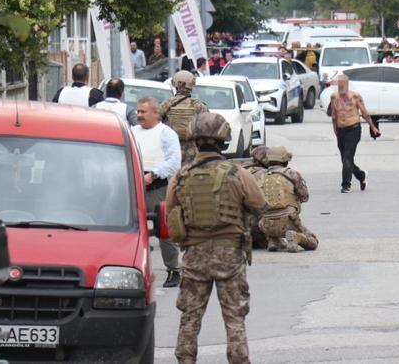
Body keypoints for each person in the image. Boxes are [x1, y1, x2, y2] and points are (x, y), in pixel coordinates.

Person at [165, 112, 266, 364]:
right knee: (234, 317)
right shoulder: (237, 173)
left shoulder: (181, 176)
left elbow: (171, 213)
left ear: (194, 140)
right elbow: (260, 204)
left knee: (190, 316)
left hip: (194, 254)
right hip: (229, 254)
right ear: (223, 139)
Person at [131, 96, 182, 287]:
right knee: (132, 229)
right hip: (134, 186)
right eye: (138, 111)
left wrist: (153, 174)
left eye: (143, 112)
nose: (139, 115)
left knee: (164, 230)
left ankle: (173, 270)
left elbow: (174, 162)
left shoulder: (166, 133)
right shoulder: (132, 132)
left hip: (156, 186)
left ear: (155, 113)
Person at [256, 146, 319, 252]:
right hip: (288, 221)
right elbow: (304, 196)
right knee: (313, 242)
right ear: (285, 161)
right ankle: (297, 237)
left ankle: (273, 240)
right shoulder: (291, 174)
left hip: (265, 224)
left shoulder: (260, 176)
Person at [330, 74, 380, 193]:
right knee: (345, 159)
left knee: (347, 157)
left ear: (347, 84)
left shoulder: (355, 96)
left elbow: (364, 113)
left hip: (353, 129)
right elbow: (333, 116)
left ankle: (346, 185)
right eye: (339, 84)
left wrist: (373, 127)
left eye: (343, 84)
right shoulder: (334, 96)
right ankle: (361, 175)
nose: (341, 86)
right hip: (341, 130)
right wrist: (336, 132)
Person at [159, 70, 209, 165]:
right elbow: (206, 127)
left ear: (175, 84)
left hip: (170, 149)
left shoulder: (167, 104)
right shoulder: (199, 105)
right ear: (192, 85)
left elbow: (156, 123)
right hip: (192, 150)